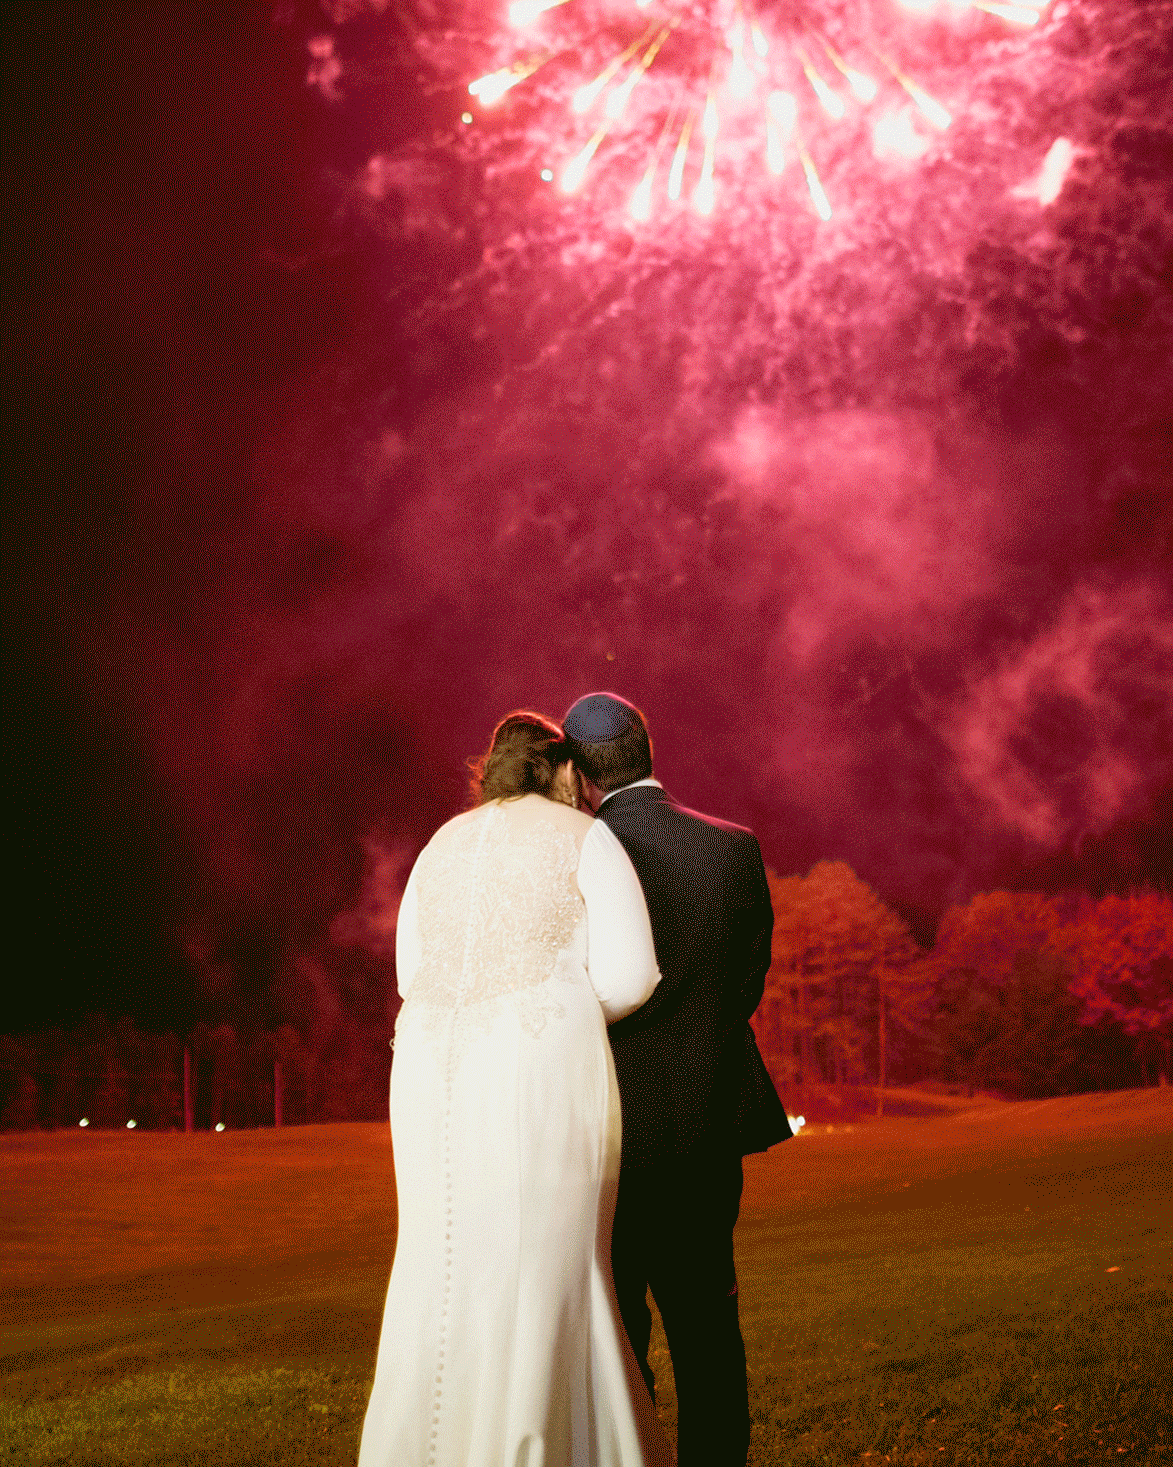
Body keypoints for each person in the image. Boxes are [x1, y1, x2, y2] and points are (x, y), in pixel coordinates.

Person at [357, 711, 673, 1467]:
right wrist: (554, 1007)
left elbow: (410, 973)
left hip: (430, 1068)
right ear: (563, 770)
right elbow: (633, 975)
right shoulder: (584, 836)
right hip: (537, 1065)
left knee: (440, 1255)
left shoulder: (440, 844)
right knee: (545, 1258)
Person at [562, 692, 793, 1467]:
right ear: (648, 747)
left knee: (619, 1336)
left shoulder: (576, 854)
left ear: (580, 773)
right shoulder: (732, 847)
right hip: (706, 1123)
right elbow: (746, 982)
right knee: (707, 1326)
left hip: (609, 1137)